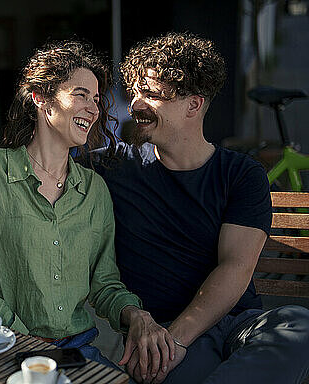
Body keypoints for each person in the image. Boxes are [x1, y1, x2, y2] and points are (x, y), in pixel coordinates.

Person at [93, 32, 309, 383]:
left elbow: (236, 267)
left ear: (193, 105)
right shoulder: (114, 166)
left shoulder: (240, 174)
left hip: (238, 326)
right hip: (162, 335)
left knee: (298, 326)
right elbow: (45, 161)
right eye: (134, 93)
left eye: (151, 94)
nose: (134, 105)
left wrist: (178, 338)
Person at [0, 40, 173, 375]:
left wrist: (135, 314)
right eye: (81, 94)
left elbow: (105, 281)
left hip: (75, 348)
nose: (94, 109)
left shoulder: (94, 189)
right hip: (0, 347)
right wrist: (30, 346)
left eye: (96, 99)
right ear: (40, 99)